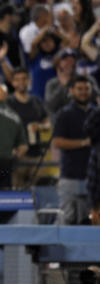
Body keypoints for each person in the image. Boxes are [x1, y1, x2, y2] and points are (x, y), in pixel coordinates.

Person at [52, 75, 96, 224]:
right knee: (66, 217)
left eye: (86, 89)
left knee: (88, 220)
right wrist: (85, 142)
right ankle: (60, 248)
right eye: (79, 89)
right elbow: (57, 141)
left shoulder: (96, 113)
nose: (83, 92)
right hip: (70, 176)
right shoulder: (65, 114)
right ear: (71, 91)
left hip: (93, 177)